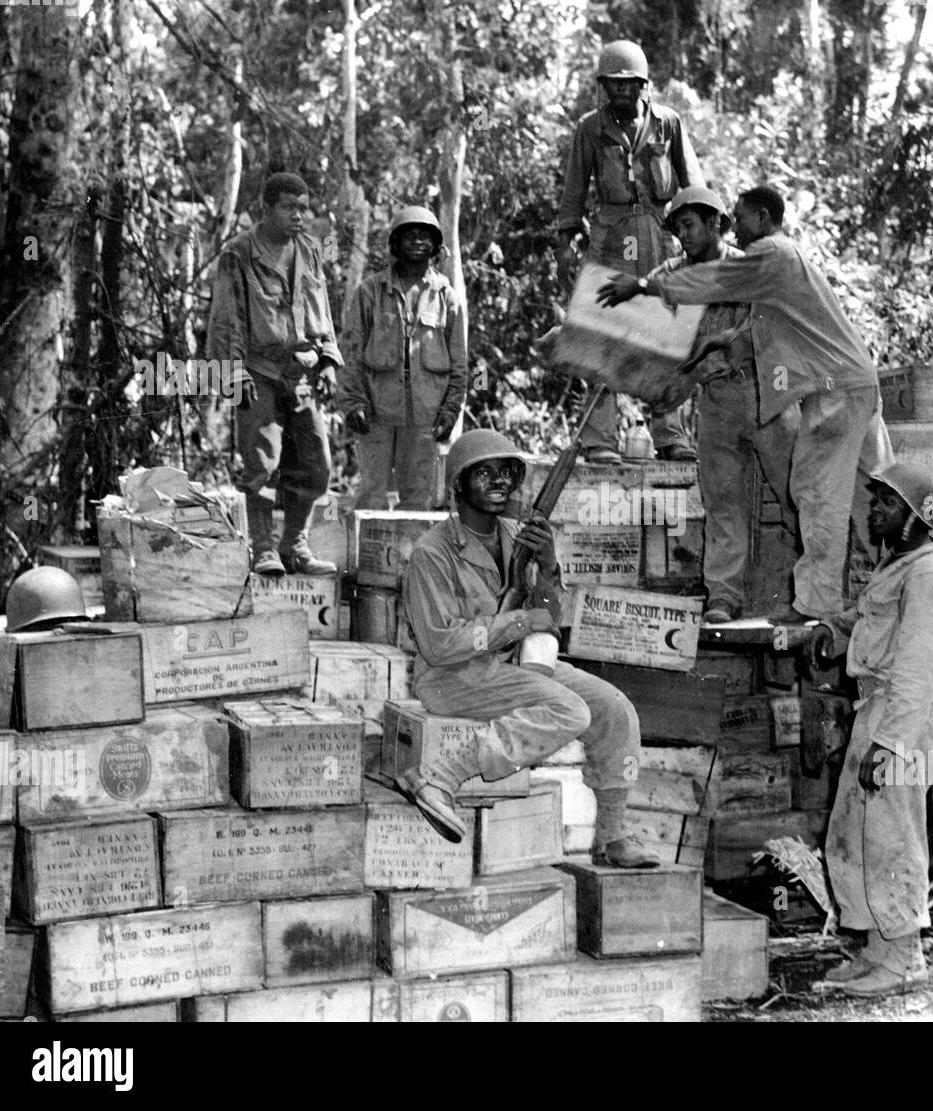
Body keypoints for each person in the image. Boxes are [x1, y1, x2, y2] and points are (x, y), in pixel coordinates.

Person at [597, 184, 889, 623]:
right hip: (824, 385)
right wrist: (719, 345)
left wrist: (641, 284)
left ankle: (820, 605)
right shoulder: (772, 260)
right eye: (676, 228)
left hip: (798, 392)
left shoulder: (765, 256)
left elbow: (715, 282)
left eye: (738, 217)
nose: (683, 236)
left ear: (756, 219)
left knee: (811, 492)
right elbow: (766, 326)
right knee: (873, 490)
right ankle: (887, 588)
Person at [398, 428, 659, 868]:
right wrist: (517, 621)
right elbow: (441, 645)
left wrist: (549, 565)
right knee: (569, 710)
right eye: (483, 472)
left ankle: (612, 837)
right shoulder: (432, 553)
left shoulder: (517, 536)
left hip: (510, 664)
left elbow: (548, 616)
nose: (498, 480)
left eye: (506, 472)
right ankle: (439, 777)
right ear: (458, 484)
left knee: (615, 709)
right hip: (451, 678)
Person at [823, 461, 933, 998]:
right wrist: (831, 631)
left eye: (886, 501)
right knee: (857, 833)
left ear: (916, 516)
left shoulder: (927, 576)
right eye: (875, 498)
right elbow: (868, 623)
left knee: (892, 839)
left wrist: (891, 744)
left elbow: (920, 673)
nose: (873, 509)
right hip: (875, 713)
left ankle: (904, 957)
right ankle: (877, 951)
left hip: (898, 719)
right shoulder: (896, 567)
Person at [652, 186, 797, 625]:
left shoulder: (749, 266)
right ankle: (724, 595)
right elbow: (650, 338)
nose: (683, 235)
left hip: (766, 392)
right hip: (714, 400)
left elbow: (775, 327)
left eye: (690, 224)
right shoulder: (669, 276)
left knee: (797, 493)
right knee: (723, 502)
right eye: (677, 228)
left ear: (716, 223)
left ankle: (811, 592)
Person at [556, 39, 703, 465]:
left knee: (665, 334)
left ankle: (670, 435)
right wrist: (564, 244)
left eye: (628, 84)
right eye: (612, 85)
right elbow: (573, 191)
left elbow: (692, 186)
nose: (621, 92)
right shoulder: (589, 128)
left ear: (643, 84)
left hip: (658, 234)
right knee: (599, 333)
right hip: (608, 237)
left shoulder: (668, 124)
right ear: (602, 86)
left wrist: (701, 239)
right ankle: (599, 438)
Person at [207, 171, 342, 576]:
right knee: (262, 464)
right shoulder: (239, 252)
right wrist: (232, 375)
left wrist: (329, 359)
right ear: (265, 209)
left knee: (317, 464)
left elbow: (322, 305)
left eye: (303, 208)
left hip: (301, 370)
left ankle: (295, 546)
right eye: (288, 207)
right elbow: (225, 319)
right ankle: (263, 548)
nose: (298, 216)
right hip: (257, 369)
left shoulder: (310, 249)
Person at [339, 206, 467, 511]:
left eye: (425, 236)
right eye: (410, 235)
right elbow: (351, 352)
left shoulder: (446, 296)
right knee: (371, 494)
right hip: (376, 410)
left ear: (436, 246)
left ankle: (411, 558)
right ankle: (369, 559)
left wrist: (450, 410)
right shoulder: (370, 292)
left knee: (419, 498)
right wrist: (352, 402)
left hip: (426, 414)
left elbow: (460, 362)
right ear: (396, 243)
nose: (418, 241)